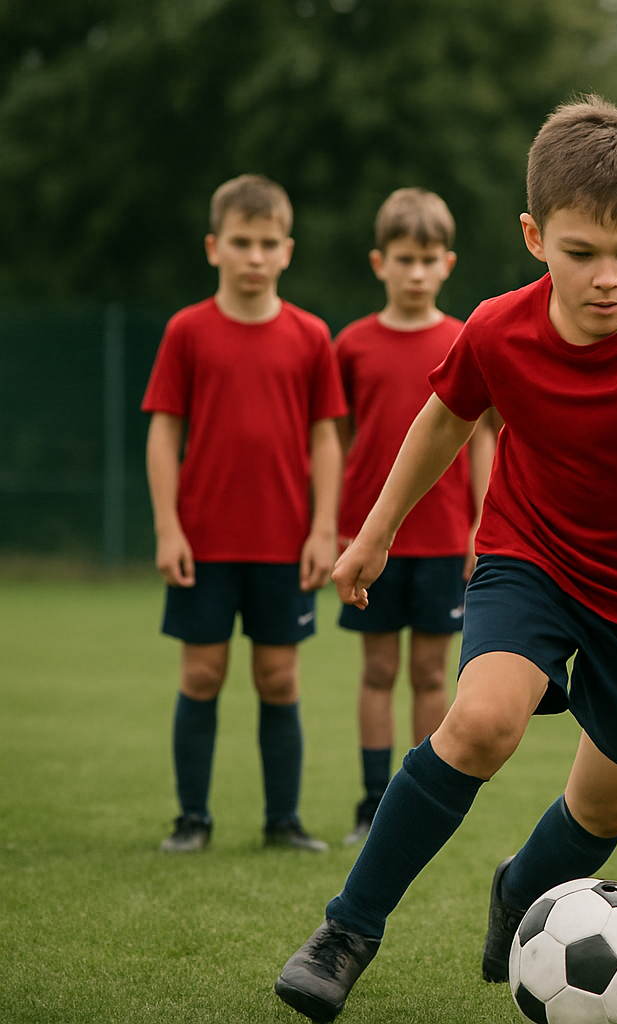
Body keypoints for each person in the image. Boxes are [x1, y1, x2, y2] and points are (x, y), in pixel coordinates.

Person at [274, 98, 617, 1022]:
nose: (607, 278)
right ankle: (347, 931)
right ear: (534, 236)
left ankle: (519, 888)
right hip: (529, 559)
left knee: (606, 810)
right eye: (581, 253)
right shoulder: (496, 328)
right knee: (483, 723)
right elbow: (443, 417)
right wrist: (373, 533)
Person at [143, 173, 348, 854]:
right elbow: (165, 432)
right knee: (201, 673)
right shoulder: (187, 331)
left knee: (278, 677)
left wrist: (323, 529)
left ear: (287, 250)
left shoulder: (311, 335)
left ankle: (282, 821)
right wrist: (169, 527)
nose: (254, 256)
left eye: (267, 244)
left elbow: (325, 436)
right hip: (203, 541)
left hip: (285, 544)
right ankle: (191, 819)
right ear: (214, 247)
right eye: (241, 242)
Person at [332, 188, 497, 846]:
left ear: (448, 263)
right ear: (380, 263)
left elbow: (482, 436)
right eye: (404, 258)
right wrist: (350, 530)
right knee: (377, 671)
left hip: (441, 542)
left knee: (433, 673)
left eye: (429, 259)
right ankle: (373, 803)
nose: (417, 272)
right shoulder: (352, 346)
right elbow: (341, 441)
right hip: (376, 545)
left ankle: (422, 801)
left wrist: (480, 522)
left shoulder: (465, 339)